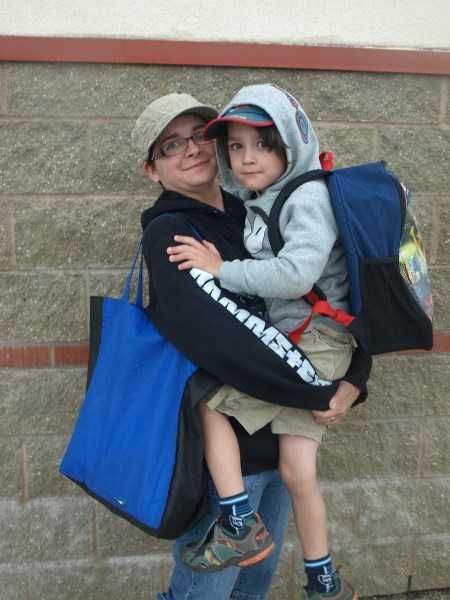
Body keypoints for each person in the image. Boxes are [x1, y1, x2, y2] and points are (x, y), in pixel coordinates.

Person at [131, 92, 372, 600]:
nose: (192, 149)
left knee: (252, 593)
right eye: (171, 145)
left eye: (198, 135)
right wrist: (315, 389)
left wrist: (353, 378)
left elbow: (334, 290)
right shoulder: (173, 234)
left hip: (278, 442)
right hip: (227, 468)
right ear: (152, 170)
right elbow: (224, 338)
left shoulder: (260, 209)